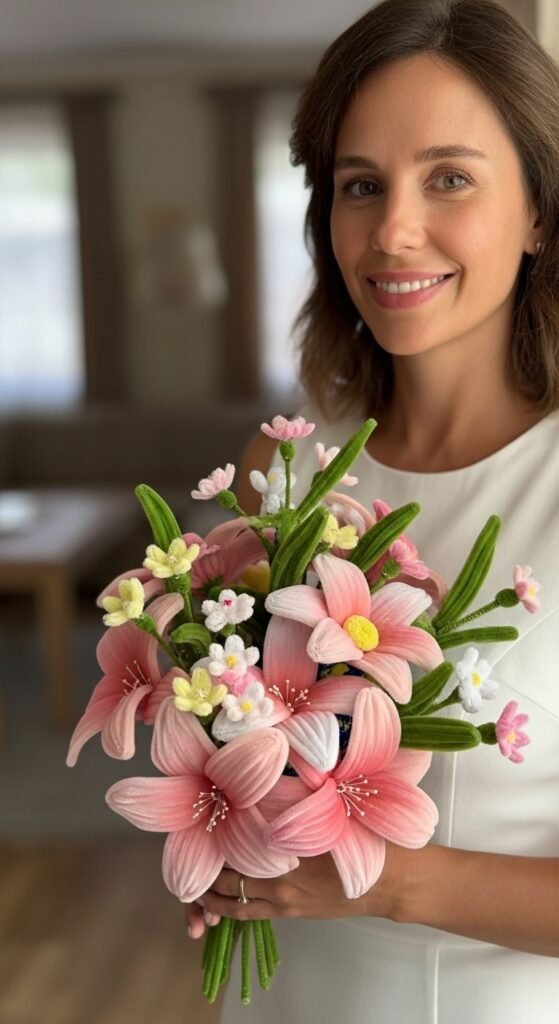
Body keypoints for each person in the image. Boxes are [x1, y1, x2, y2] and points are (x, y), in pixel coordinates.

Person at [186, 1, 559, 1019]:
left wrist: (387, 880)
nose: (392, 231)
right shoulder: (281, 469)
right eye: (360, 185)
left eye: (449, 177)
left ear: (538, 210)